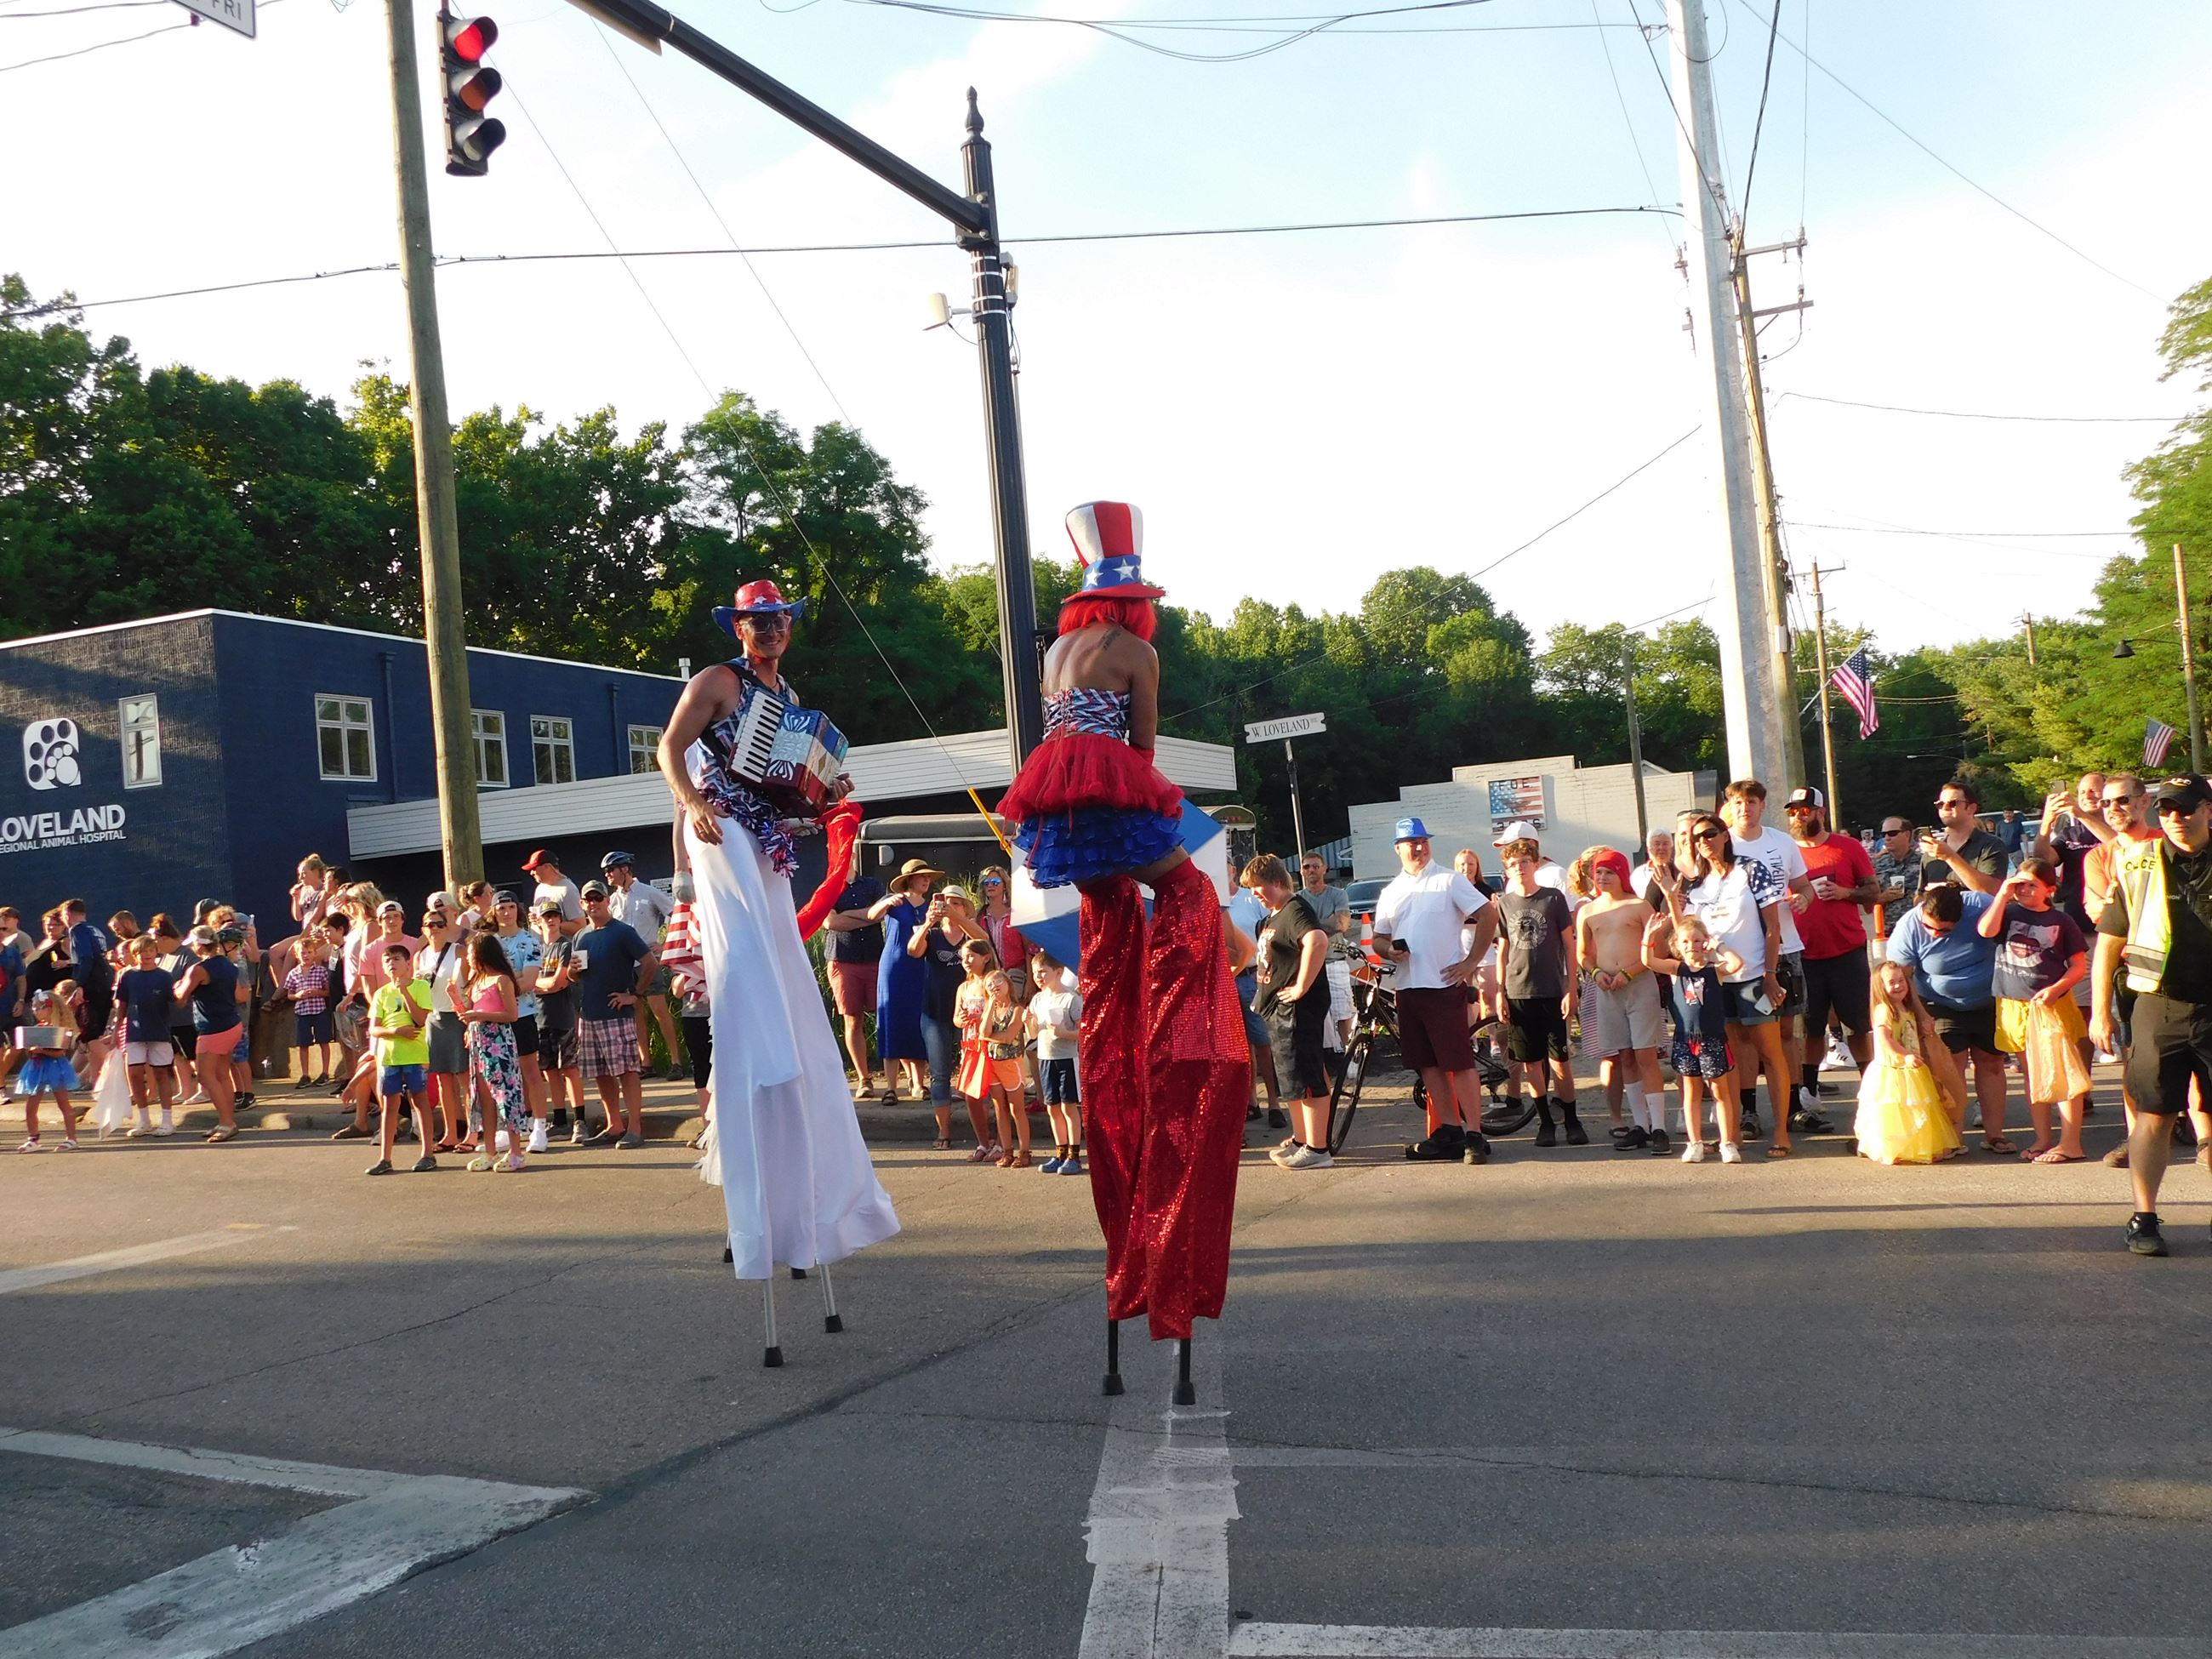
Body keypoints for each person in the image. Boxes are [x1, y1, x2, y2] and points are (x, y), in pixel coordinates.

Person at [993, 503, 1246, 1348]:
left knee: (1109, 922)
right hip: (1102, 786)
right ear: (1135, 600)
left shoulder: (1057, 652)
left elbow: (1056, 726)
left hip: (1053, 796)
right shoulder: (1137, 651)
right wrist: (1143, 809)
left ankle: (1129, 1024)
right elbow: (1139, 747)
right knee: (1187, 895)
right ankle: (1183, 1017)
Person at [657, 575, 899, 1282]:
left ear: (788, 627)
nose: (768, 632)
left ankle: (786, 1071)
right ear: (738, 627)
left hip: (766, 834)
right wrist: (692, 800)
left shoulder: (788, 699)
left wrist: (829, 790)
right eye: (757, 622)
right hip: (721, 828)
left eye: (778, 621)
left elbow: (787, 783)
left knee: (784, 958)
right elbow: (671, 747)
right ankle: (756, 1040)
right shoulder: (716, 681)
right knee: (752, 969)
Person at [2089, 775, 2212, 1257]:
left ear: (2207, 809)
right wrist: (2101, 1011)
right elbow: (2109, 943)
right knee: (2155, 1116)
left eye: (2184, 808)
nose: (2175, 818)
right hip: (2160, 1003)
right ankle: (2144, 1217)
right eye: (2166, 810)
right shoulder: (2139, 863)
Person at [1671, 810, 1798, 1156]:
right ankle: (1733, 1134)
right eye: (1696, 838)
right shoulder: (1696, 884)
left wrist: (1771, 975)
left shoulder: (1751, 869)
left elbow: (1774, 927)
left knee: (1770, 1052)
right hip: (1714, 979)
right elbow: (1686, 933)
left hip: (1754, 976)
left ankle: (1782, 1131)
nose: (1704, 842)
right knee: (1728, 1055)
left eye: (1710, 833)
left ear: (1725, 835)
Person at [1371, 816, 1498, 1164]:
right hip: (1408, 986)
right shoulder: (1391, 891)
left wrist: (1472, 962)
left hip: (1443, 985)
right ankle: (1448, 1130)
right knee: (1427, 1064)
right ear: (1398, 848)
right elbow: (1380, 938)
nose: (1419, 847)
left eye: (1423, 841)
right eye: (1411, 843)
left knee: (1457, 1061)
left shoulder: (1449, 879)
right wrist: (1388, 951)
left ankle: (1475, 1133)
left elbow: (1488, 914)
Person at [1722, 781, 1822, 1136]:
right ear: (1729, 806)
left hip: (1785, 946)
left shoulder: (1782, 842)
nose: (1745, 808)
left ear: (1763, 806)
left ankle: (1794, 1107)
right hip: (1740, 956)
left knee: (1785, 1031)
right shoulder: (1722, 844)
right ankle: (1748, 1110)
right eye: (1737, 802)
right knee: (1743, 1035)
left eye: (1751, 801)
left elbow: (1805, 887)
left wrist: (1804, 900)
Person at [1885, 883, 2014, 1154]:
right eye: (1930, 927)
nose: (1935, 934)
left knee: (1991, 1064)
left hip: (1989, 999)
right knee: (1951, 1069)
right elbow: (1901, 978)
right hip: (1940, 1003)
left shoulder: (1979, 905)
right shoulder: (1909, 927)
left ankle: (1996, 1135)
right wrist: (1920, 1016)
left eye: (1944, 930)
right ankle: (1953, 1137)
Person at [1978, 857, 2090, 1163]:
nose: (2024, 890)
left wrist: (2055, 990)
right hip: (2013, 1004)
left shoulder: (2061, 921)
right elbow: (1986, 931)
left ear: (2049, 890)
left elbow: (2078, 966)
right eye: (2021, 883)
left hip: (2050, 1005)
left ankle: (2071, 1142)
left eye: (2032, 885)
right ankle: (2043, 1138)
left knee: (2063, 1073)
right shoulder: (2008, 911)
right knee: (2032, 1074)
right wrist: (2002, 894)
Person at [1571, 847, 1668, 1154]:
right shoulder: (1588, 911)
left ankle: (1660, 1127)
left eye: (1609, 872)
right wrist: (1595, 972)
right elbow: (1583, 953)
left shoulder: (1640, 907)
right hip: (1606, 989)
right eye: (1598, 872)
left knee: (1645, 1056)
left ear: (1622, 874)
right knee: (1624, 1055)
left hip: (1640, 986)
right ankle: (1639, 1124)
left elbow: (1660, 951)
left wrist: (1630, 973)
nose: (1603, 877)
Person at [1786, 787, 1879, 1102]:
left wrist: (1845, 893)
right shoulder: (1785, 851)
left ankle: (1871, 1090)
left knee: (1857, 1026)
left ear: (1821, 812)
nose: (1798, 817)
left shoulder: (1848, 847)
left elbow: (1873, 891)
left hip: (1846, 951)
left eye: (1805, 810)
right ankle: (1808, 1093)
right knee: (1809, 1029)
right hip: (1803, 953)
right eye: (1793, 811)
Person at [1247, 855, 1333, 1171]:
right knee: (1292, 1079)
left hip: (1296, 1011)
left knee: (1308, 1076)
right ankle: (1301, 1138)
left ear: (1277, 881)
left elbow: (1317, 940)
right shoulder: (1275, 914)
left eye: (1258, 886)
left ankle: (1318, 1148)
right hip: (1278, 1010)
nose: (1255, 893)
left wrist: (1301, 987)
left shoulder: (1295, 909)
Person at [1497, 835, 1581, 1147]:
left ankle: (1571, 1119)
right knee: (1531, 1062)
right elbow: (1503, 950)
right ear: (1506, 870)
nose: (1519, 868)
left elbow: (1570, 946)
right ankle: (1545, 1122)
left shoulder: (1553, 898)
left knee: (1560, 1060)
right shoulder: (1504, 904)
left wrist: (1571, 987)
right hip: (1518, 991)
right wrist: (1500, 992)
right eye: (1513, 864)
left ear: (1535, 864)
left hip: (1551, 990)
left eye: (1524, 862)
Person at [1645, 915, 1740, 1163]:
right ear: (1678, 944)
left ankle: (1727, 1143)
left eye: (1697, 940)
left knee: (1719, 1090)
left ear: (1704, 942)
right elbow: (1648, 961)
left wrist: (1718, 946)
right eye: (1685, 941)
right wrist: (1649, 935)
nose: (1691, 945)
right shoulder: (1677, 970)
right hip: (1686, 1039)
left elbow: (1737, 963)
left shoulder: (1714, 971)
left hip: (1712, 1039)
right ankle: (1694, 1142)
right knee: (1690, 1092)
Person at [571, 880, 655, 1149]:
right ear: (582, 904)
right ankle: (613, 1125)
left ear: (607, 901)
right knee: (601, 1073)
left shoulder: (623, 932)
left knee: (627, 1071)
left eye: (598, 898)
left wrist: (635, 994)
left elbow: (650, 963)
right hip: (589, 1015)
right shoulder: (581, 936)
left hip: (616, 1015)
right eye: (588, 900)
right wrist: (571, 971)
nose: (593, 903)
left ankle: (635, 1129)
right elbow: (575, 976)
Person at [1856, 959, 1964, 1165]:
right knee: (1894, 1112)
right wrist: (1904, 1055)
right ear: (1881, 987)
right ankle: (1894, 1148)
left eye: (1901, 981)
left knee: (1918, 1109)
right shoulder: (1885, 1010)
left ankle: (1921, 1146)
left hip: (1912, 1069)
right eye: (1892, 982)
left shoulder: (1906, 1010)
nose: (1898, 986)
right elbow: (1884, 1039)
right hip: (1893, 1071)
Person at [602, 852, 683, 1080]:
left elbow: (675, 913)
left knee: (659, 1009)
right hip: (626, 962)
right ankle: (645, 1062)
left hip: (647, 960)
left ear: (625, 869)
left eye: (611, 870)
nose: (608, 875)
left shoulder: (648, 892)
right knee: (635, 1010)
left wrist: (665, 943)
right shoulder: (613, 900)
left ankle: (676, 1061)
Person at [453, 931, 527, 1172]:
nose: (468, 959)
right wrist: (468, 1021)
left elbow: (511, 1015)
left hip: (499, 1043)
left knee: (506, 1095)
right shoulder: (477, 981)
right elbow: (471, 1011)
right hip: (478, 1042)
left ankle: (516, 1152)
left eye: (472, 954)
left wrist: (479, 1016)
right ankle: (490, 1151)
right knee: (484, 1097)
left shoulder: (502, 980)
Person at [821, 850, 891, 1099]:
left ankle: (893, 1080)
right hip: (843, 960)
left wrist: (848, 915)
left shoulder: (872, 884)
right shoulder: (827, 887)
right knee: (853, 1019)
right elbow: (831, 923)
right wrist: (866, 915)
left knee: (886, 1017)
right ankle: (865, 1079)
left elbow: (880, 914)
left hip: (874, 957)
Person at [363, 944, 438, 1176]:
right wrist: (395, 1032)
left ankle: (428, 1153)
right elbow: (374, 1029)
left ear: (408, 963)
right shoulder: (381, 994)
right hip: (390, 1056)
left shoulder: (421, 986)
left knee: (419, 1100)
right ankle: (385, 1158)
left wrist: (404, 991)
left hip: (414, 1055)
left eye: (396, 959)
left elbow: (419, 1019)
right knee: (389, 1106)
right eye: (387, 961)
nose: (391, 964)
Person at [874, 860, 940, 1104]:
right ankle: (891, 1087)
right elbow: (871, 916)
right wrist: (884, 903)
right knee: (891, 1020)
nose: (926, 881)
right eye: (922, 877)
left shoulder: (931, 905)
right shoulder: (895, 901)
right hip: (893, 965)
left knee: (918, 1020)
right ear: (909, 879)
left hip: (921, 966)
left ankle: (919, 1084)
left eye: (928, 878)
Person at [488, 892, 549, 1154]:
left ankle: (539, 1126)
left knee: (530, 1070)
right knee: (502, 1074)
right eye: (502, 907)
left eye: (512, 907)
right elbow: (481, 978)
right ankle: (509, 1125)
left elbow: (529, 982)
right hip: (495, 1017)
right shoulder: (488, 943)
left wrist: (502, 987)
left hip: (522, 1015)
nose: (507, 912)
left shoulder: (530, 941)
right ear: (494, 912)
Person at [173, 925, 242, 1143]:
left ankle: (227, 1123)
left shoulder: (197, 970)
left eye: (193, 944)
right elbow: (238, 996)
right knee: (222, 1075)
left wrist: (177, 985)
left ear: (200, 945)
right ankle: (228, 1120)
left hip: (213, 1029)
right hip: (232, 1024)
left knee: (206, 1076)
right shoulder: (229, 966)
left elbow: (180, 998)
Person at [533, 898, 590, 1143]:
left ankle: (580, 1121)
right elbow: (525, 982)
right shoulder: (535, 949)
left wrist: (536, 985)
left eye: (555, 916)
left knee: (570, 1069)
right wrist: (540, 986)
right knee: (550, 1072)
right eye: (547, 916)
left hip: (563, 1016)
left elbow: (560, 982)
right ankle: (559, 1120)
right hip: (539, 1018)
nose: (551, 920)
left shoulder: (565, 947)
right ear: (539, 920)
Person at [415, 909, 471, 1151]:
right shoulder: (421, 955)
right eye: (430, 924)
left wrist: (469, 1013)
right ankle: (450, 1134)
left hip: (456, 1017)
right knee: (442, 1079)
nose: (435, 928)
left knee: (465, 1078)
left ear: (447, 927)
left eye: (439, 924)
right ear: (423, 929)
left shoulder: (459, 951)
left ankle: (473, 1132)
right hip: (433, 1019)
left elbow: (470, 982)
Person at [952, 937, 1010, 1160]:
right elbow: (956, 1018)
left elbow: (1004, 1011)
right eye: (963, 957)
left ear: (985, 957)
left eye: (971, 956)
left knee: (997, 1096)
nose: (966, 960)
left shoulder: (994, 982)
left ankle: (1003, 1144)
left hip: (991, 1044)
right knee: (971, 1096)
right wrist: (963, 1018)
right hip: (971, 1046)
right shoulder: (964, 987)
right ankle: (984, 1142)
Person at [115, 933, 179, 1137]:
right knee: (134, 1074)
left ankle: (167, 1121)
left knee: (161, 1074)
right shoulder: (127, 976)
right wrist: (117, 1028)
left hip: (159, 1031)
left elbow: (175, 1001)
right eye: (142, 952)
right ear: (135, 955)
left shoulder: (165, 976)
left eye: (150, 951)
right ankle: (143, 1121)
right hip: (135, 1032)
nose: (147, 955)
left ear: (156, 952)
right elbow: (122, 1004)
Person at [2033, 772, 2113, 932]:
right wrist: (2046, 823)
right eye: (2082, 792)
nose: (2087, 796)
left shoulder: (2119, 827)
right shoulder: (2069, 834)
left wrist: (2081, 815)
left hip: (2115, 918)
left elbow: (2118, 845)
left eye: (2093, 791)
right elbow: (2043, 860)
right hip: (2078, 919)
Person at [1028, 949, 1083, 1174]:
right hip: (1045, 1058)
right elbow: (1032, 1032)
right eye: (1035, 972)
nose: (1038, 977)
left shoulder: (1071, 998)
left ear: (1058, 973)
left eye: (1043, 972)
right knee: (1052, 1108)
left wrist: (1064, 1033)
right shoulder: (1038, 999)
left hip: (1067, 1058)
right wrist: (1028, 1021)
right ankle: (1059, 1153)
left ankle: (1074, 1155)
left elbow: (1085, 1031)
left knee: (1069, 1107)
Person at [1298, 852, 1356, 1052]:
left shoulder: (1338, 894)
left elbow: (1341, 923)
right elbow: (1297, 931)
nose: (1311, 870)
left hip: (1334, 961)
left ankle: (1349, 1056)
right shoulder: (1297, 900)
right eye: (1306, 867)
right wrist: (1326, 923)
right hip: (1309, 965)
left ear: (1325, 869)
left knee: (1343, 1013)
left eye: (1315, 866)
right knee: (1315, 1016)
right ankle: (1325, 1058)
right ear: (1301, 871)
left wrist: (1310, 928)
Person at [1920, 780, 2007, 896]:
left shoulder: (1991, 845)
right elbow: (1919, 896)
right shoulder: (1931, 853)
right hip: (1938, 913)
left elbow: (1992, 891)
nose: (1945, 808)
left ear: (1971, 808)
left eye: (1953, 803)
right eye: (1940, 804)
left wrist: (1950, 857)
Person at [283, 934, 335, 1090]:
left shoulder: (321, 971)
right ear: (297, 955)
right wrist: (297, 996)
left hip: (319, 1010)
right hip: (302, 1011)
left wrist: (317, 992)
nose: (306, 956)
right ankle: (305, 1074)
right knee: (303, 1044)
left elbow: (327, 992)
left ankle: (325, 1072)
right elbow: (289, 994)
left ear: (315, 954)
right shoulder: (293, 973)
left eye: (309, 952)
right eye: (303, 953)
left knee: (324, 1041)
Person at [1871, 818, 1924, 943]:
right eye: (1884, 834)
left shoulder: (1925, 862)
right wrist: (1883, 897)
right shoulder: (1876, 866)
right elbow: (1865, 904)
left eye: (1893, 833)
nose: (1887, 838)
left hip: (1923, 931)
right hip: (1892, 934)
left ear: (1907, 834)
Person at [522, 850, 585, 935]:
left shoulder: (568, 890)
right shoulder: (540, 888)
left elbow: (580, 926)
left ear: (547, 867)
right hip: (540, 946)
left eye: (534, 868)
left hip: (561, 946)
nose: (531, 873)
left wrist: (547, 923)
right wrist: (535, 919)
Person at [1628, 830, 1673, 900]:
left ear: (1671, 848)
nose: (1661, 848)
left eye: (1665, 844)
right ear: (1649, 849)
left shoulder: (1680, 871)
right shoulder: (1638, 874)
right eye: (1657, 844)